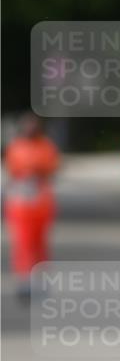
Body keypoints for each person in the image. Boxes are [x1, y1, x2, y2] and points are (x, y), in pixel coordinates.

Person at [3, 113, 60, 299]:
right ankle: (24, 280)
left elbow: (52, 169)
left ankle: (40, 279)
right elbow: (12, 171)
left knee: (39, 243)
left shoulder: (46, 147)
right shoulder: (15, 147)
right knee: (22, 242)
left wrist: (37, 172)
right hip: (20, 204)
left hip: (41, 204)